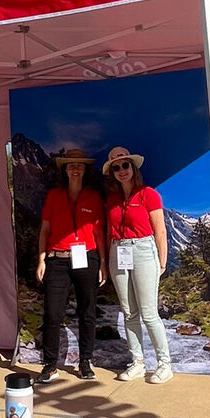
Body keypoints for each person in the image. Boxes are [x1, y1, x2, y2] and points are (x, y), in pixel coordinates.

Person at [102, 146, 173, 384]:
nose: (122, 170)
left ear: (133, 167)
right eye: (116, 167)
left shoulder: (148, 194)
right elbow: (106, 231)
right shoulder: (111, 199)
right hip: (117, 250)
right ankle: (137, 363)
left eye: (125, 165)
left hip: (143, 249)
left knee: (149, 312)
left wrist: (162, 260)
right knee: (129, 311)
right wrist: (105, 260)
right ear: (112, 172)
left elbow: (160, 230)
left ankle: (164, 364)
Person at [35, 148, 106, 382]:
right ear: (64, 169)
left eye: (80, 165)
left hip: (87, 257)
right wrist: (41, 260)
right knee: (53, 314)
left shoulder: (94, 197)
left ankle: (85, 361)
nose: (75, 169)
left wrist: (103, 262)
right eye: (71, 165)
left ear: (85, 170)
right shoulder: (54, 196)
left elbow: (99, 232)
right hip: (57, 260)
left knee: (87, 312)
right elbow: (45, 230)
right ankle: (50, 365)